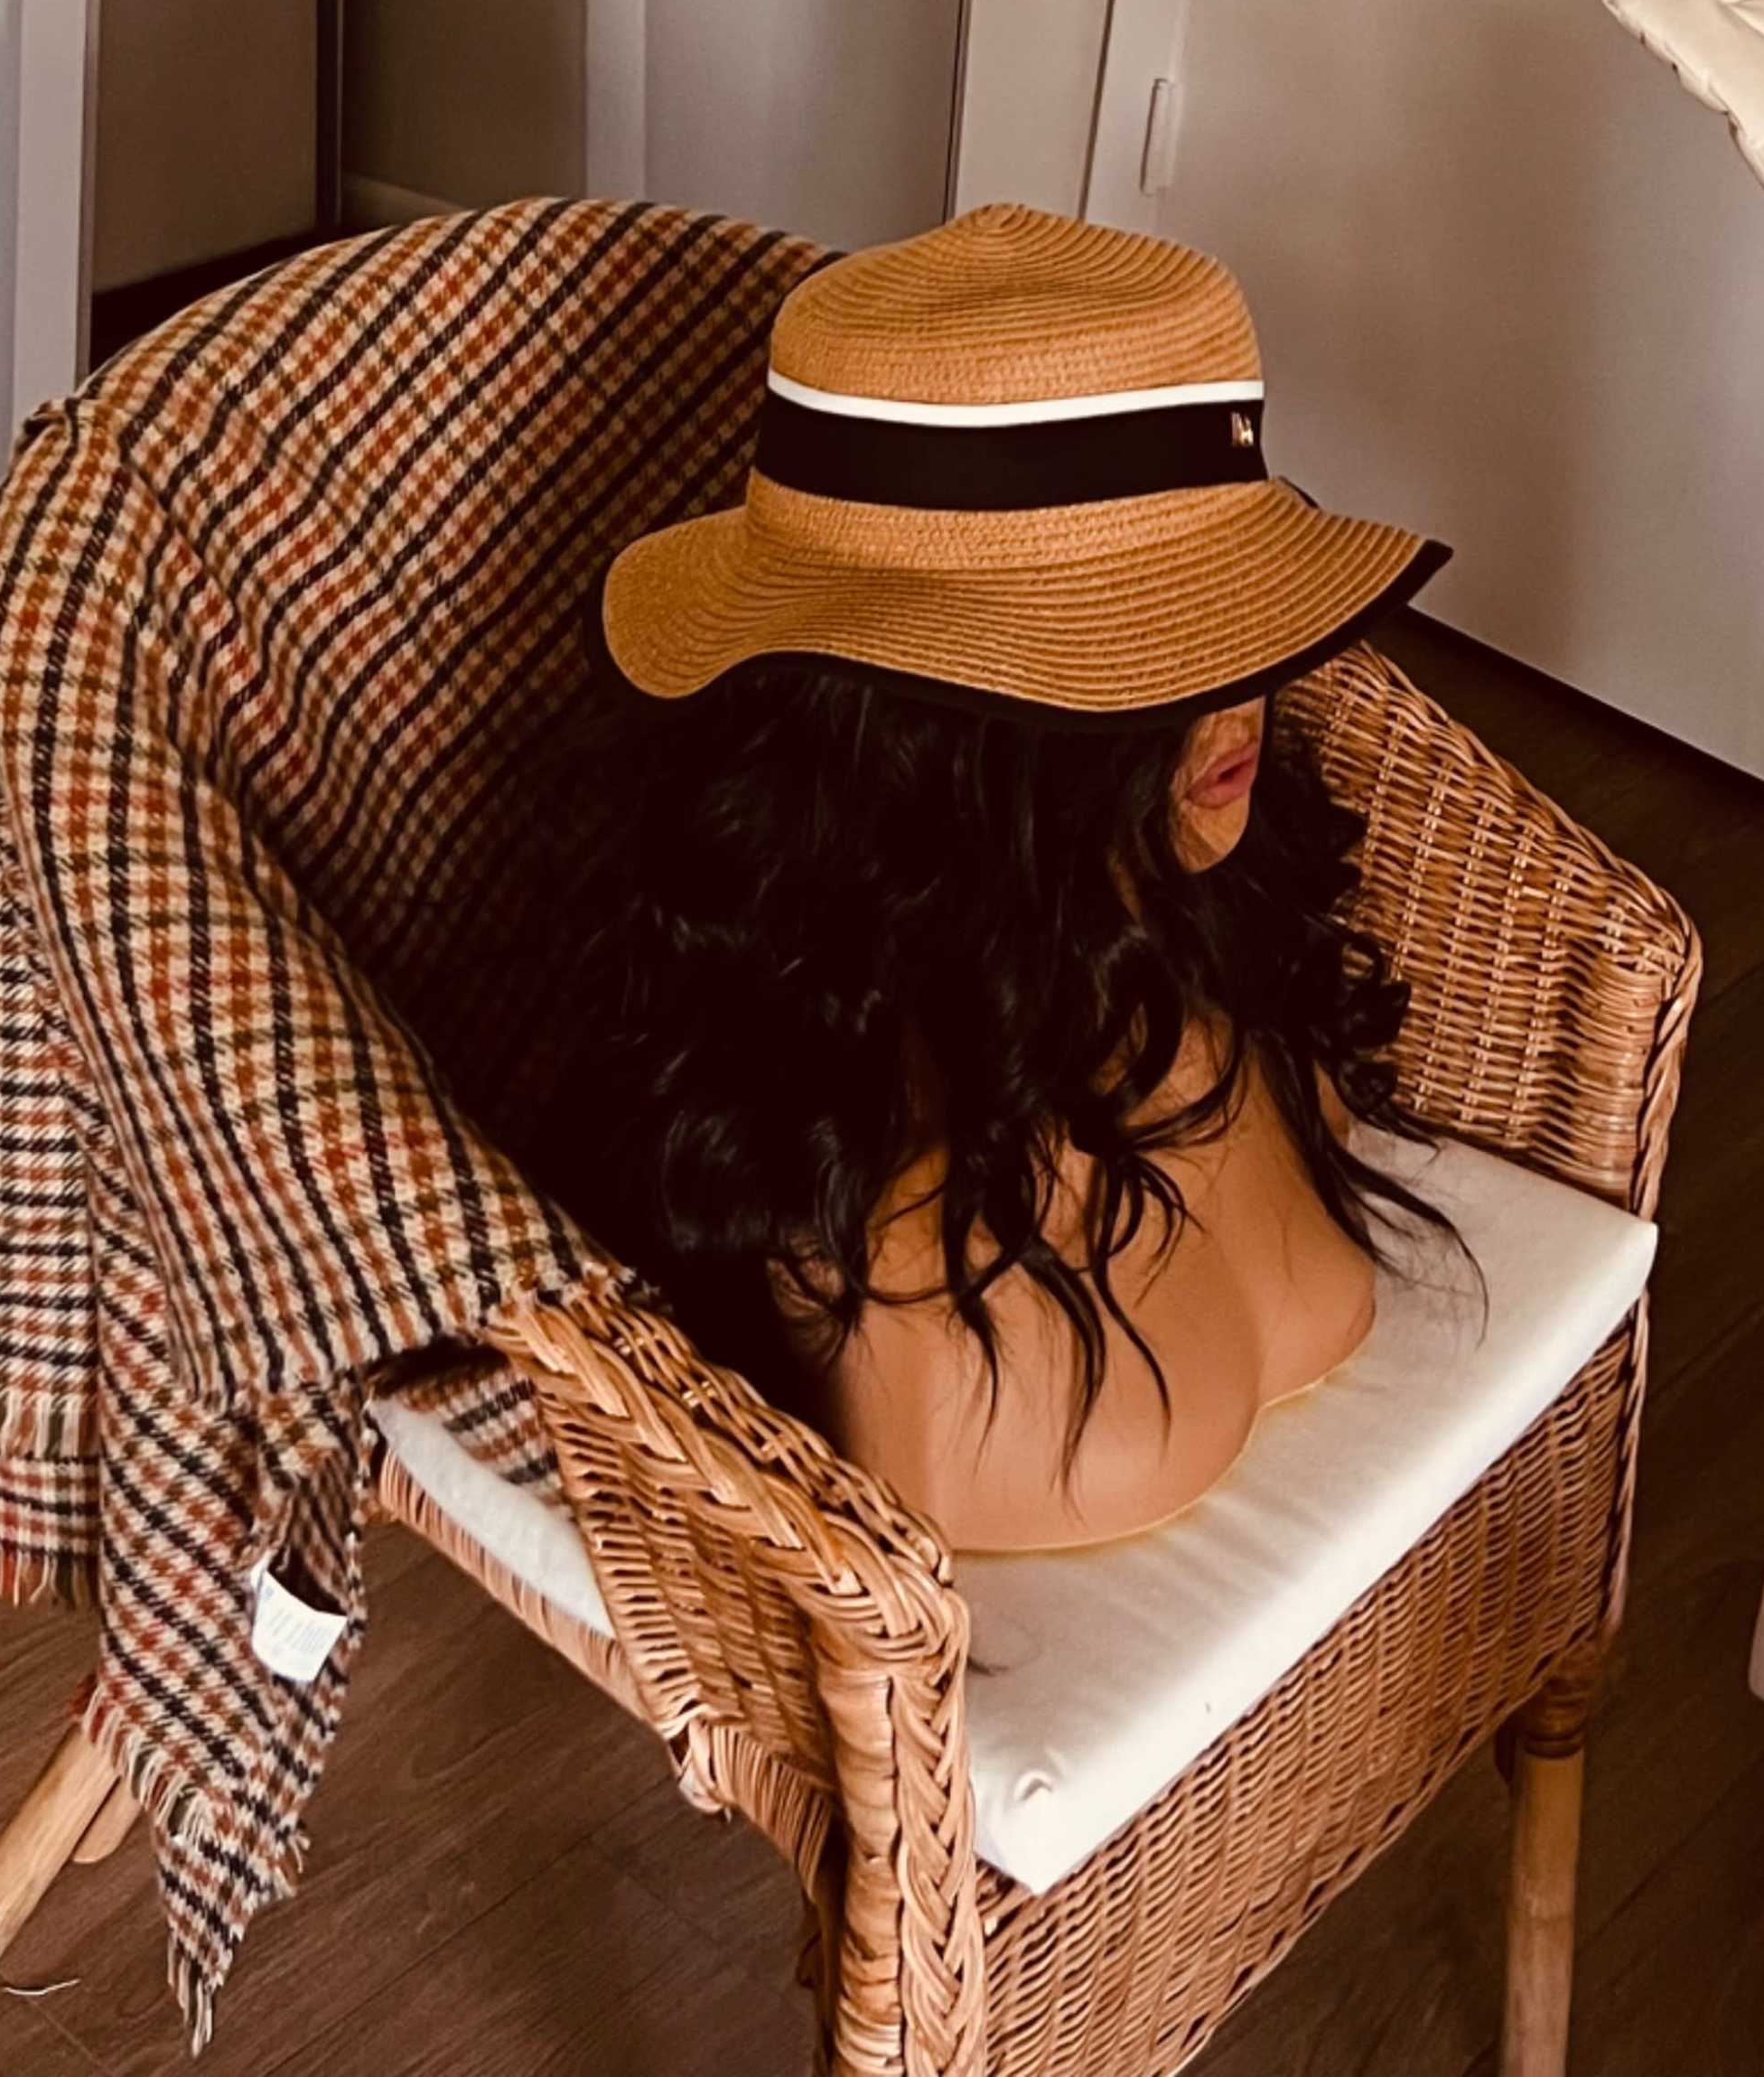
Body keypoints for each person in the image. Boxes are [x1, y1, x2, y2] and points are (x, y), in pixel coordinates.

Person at [536, 201, 1454, 1553]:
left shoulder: (1209, 976)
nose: (1243, 697)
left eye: (1229, 611)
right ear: (924, 733)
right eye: (1146, 648)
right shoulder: (891, 1257)